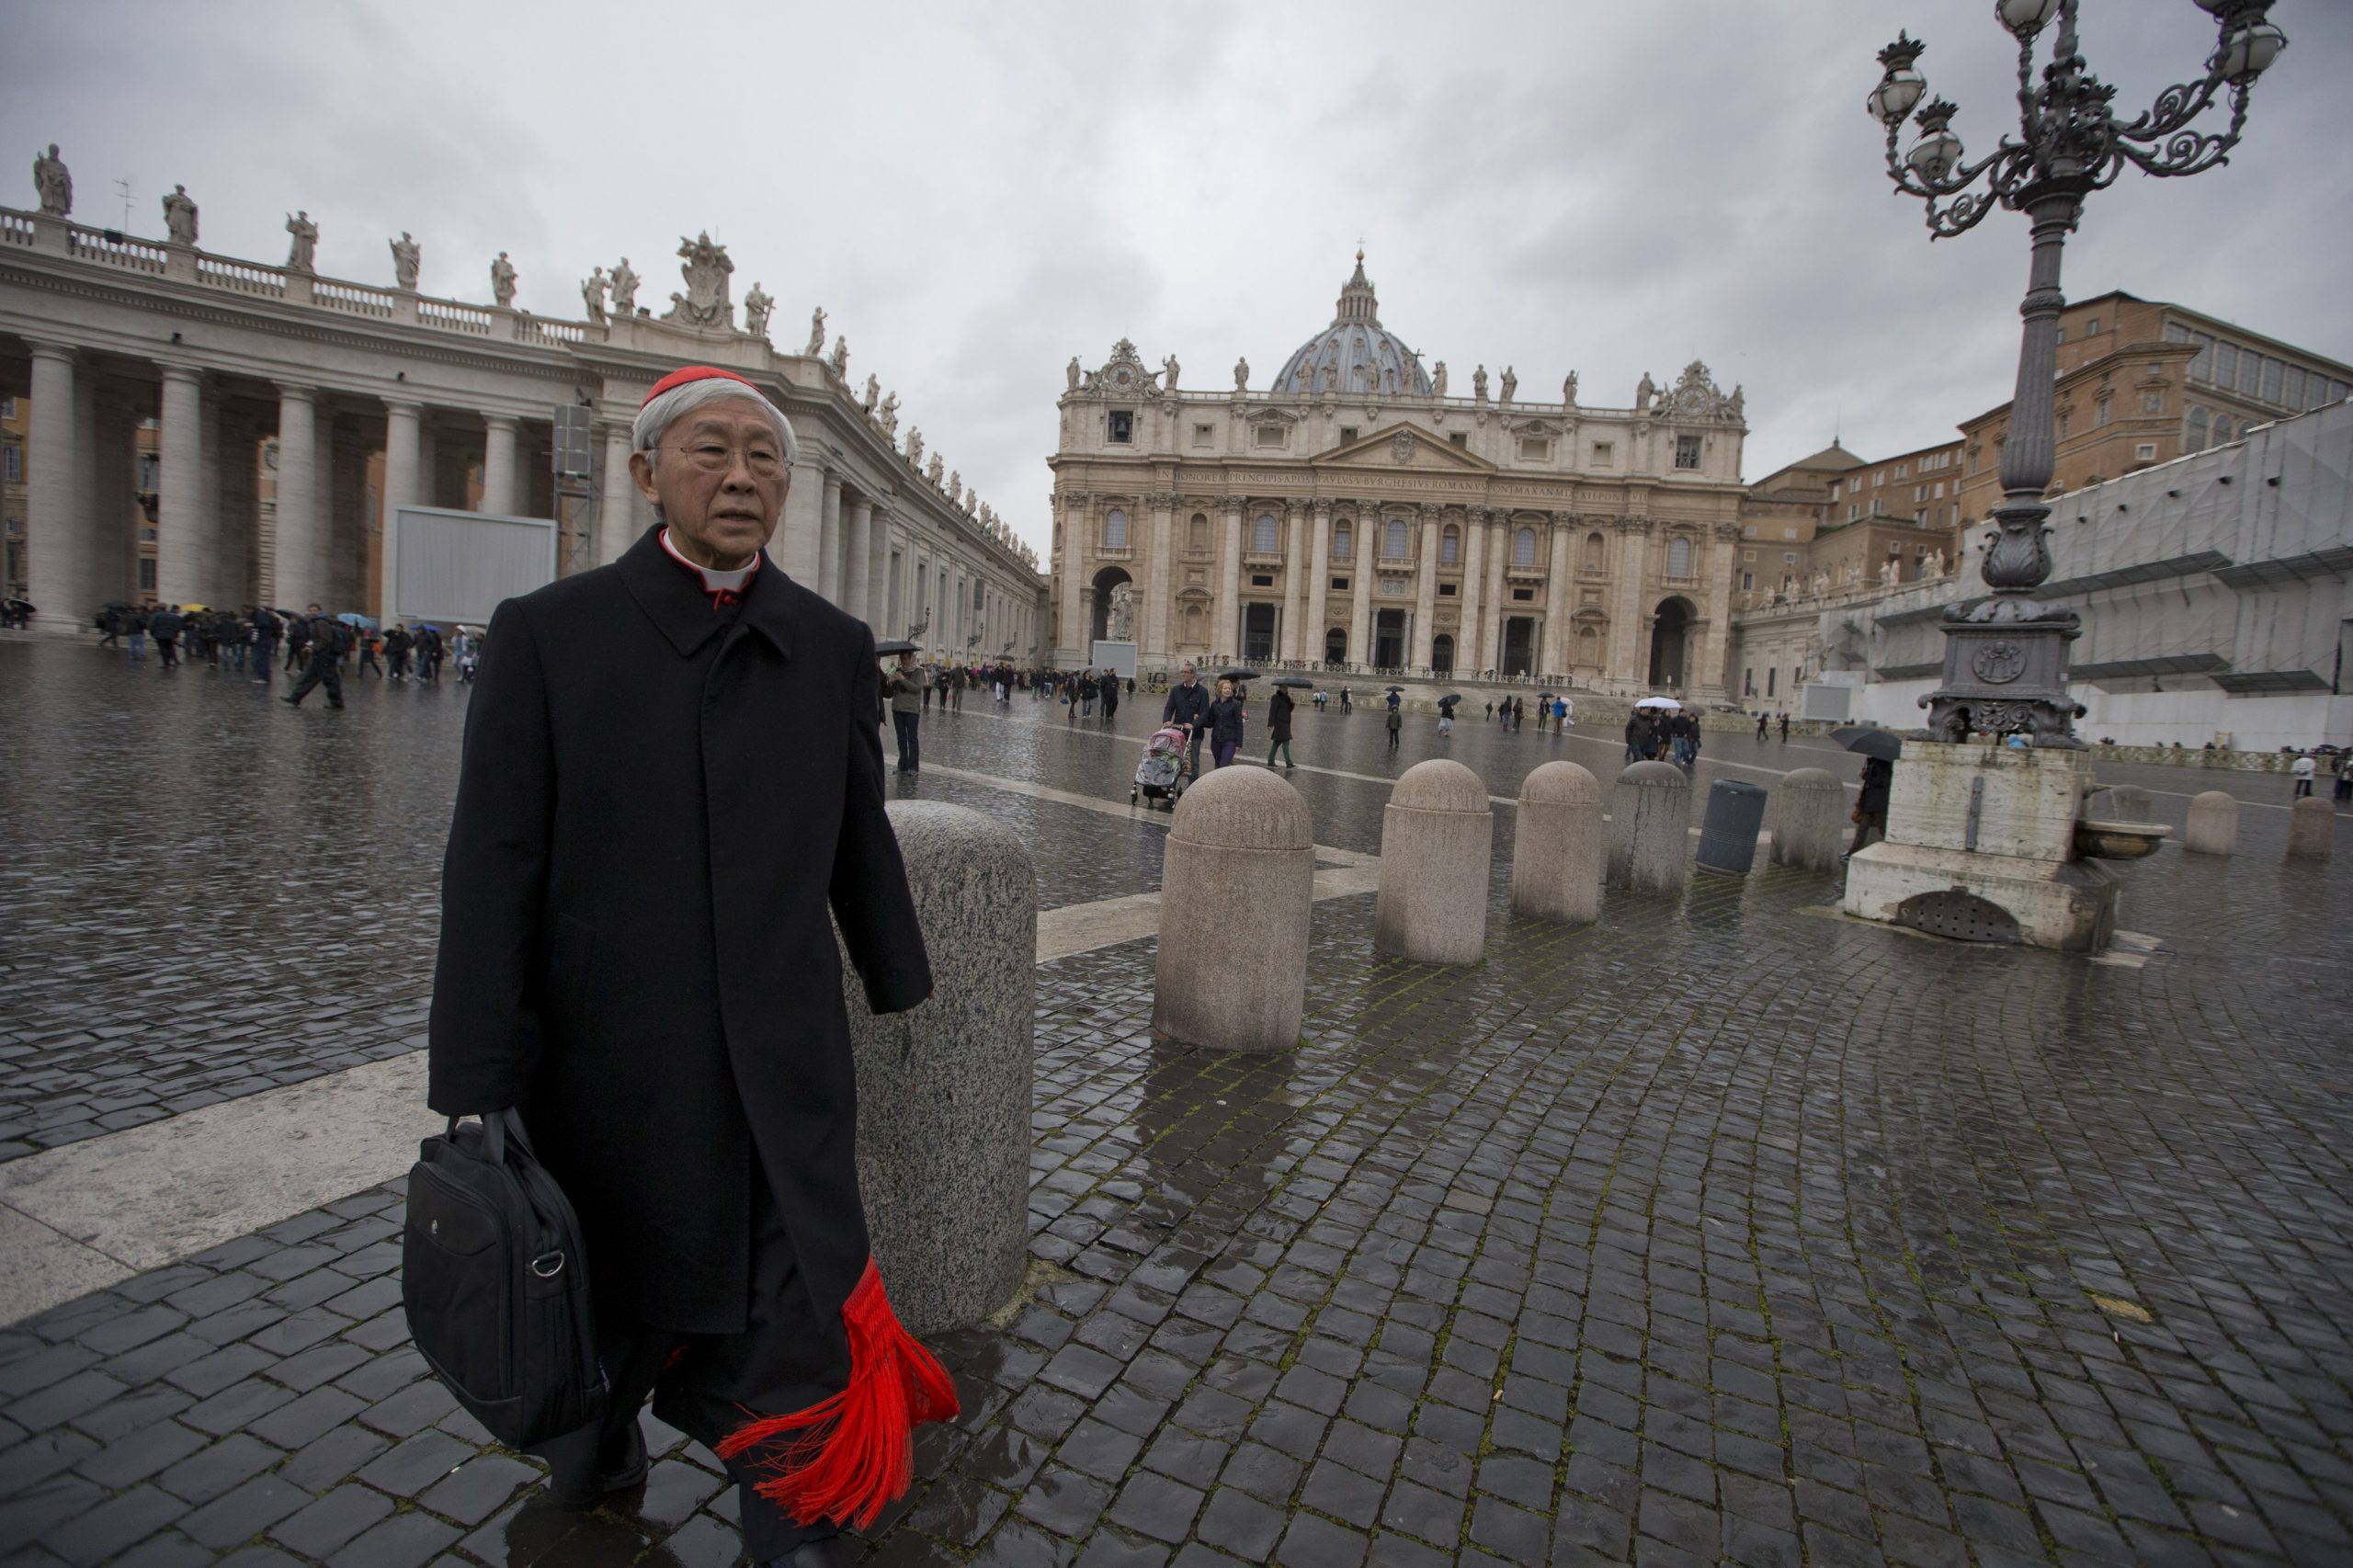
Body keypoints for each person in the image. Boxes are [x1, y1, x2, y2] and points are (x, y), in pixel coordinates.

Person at [429, 365, 950, 1568]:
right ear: (644, 469)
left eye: (764, 457)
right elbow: (491, 863)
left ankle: (797, 1517)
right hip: (608, 1065)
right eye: (711, 451)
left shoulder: (828, 644)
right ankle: (595, 1443)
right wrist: (477, 1070)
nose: (741, 476)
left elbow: (855, 832)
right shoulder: (548, 635)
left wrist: (896, 975)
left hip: (781, 1068)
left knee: (797, 1308)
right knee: (614, 1294)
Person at [282, 604, 346, 710]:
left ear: (320, 611)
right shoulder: (315, 622)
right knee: (310, 678)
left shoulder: (321, 622)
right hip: (320, 655)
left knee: (330, 679)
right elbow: (317, 639)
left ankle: (337, 702)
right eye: (310, 610)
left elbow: (325, 639)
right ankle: (295, 697)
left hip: (325, 655)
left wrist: (313, 648)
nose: (312, 612)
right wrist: (310, 646)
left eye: (315, 610)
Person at [1163, 662, 1211, 780]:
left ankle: (1192, 789)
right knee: (1174, 760)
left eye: (1186, 672)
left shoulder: (1202, 692)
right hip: (1177, 732)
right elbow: (1169, 707)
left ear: (1193, 674)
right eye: (1182, 672)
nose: (1183, 674)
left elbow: (1205, 712)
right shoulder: (1176, 690)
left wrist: (1194, 725)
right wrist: (1167, 720)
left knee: (1193, 762)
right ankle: (1170, 786)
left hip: (1195, 734)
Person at [1848, 755, 1894, 858]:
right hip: (1869, 802)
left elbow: (1880, 782)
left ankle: (1895, 849)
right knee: (1862, 829)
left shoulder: (1883, 763)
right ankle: (1851, 852)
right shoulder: (1874, 761)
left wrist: (1865, 776)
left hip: (1877, 803)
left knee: (1883, 828)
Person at [886, 649, 924, 773]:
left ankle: (913, 767)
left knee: (912, 738)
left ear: (911, 658)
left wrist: (902, 679)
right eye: (902, 659)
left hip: (911, 710)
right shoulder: (898, 671)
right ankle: (902, 765)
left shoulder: (919, 671)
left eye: (906, 658)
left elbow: (917, 688)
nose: (904, 661)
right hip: (897, 708)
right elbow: (891, 692)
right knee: (901, 738)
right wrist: (891, 682)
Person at [1207, 676, 1245, 767]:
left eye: (1229, 688)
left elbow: (1239, 724)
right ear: (1220, 690)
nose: (1228, 690)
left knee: (1223, 765)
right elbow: (1210, 722)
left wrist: (1239, 743)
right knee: (1218, 764)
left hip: (1229, 741)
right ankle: (1220, 781)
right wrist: (1199, 719)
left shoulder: (1235, 704)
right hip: (1216, 740)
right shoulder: (1214, 704)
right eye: (1225, 688)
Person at [1267, 685, 1296, 769]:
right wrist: (1270, 724)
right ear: (1279, 688)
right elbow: (1272, 711)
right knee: (1286, 742)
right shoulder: (1275, 697)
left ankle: (1270, 761)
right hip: (1279, 723)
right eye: (1283, 687)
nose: (1285, 689)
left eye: (1286, 687)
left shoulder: (1287, 698)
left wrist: (1291, 704)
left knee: (1277, 742)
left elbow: (1288, 710)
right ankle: (1289, 763)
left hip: (1286, 723)